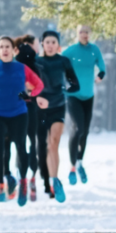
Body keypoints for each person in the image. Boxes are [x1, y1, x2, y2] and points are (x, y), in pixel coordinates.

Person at [0, 36, 46, 205]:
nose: (5, 50)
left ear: (13, 50)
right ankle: (2, 185)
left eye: (8, 46)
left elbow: (39, 85)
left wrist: (29, 95)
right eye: (2, 47)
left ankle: (22, 182)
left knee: (21, 148)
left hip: (18, 113)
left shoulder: (21, 68)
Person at [35, 29, 79, 202]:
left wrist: (67, 90)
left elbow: (74, 83)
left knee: (54, 142)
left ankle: (55, 181)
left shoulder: (63, 61)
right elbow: (27, 83)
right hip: (40, 107)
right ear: (42, 44)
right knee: (46, 145)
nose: (51, 45)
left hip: (58, 105)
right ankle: (50, 179)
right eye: (47, 42)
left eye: (54, 42)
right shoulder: (37, 62)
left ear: (58, 45)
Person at [62, 25, 106, 185]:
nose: (85, 34)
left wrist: (101, 74)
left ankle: (80, 162)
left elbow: (102, 66)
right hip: (73, 96)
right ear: (77, 34)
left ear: (90, 34)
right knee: (78, 128)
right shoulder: (71, 50)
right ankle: (72, 166)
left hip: (88, 96)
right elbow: (59, 61)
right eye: (81, 32)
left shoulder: (94, 50)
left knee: (85, 131)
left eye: (87, 32)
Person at [13, 34, 44, 201]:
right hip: (26, 109)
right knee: (29, 144)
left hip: (24, 109)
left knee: (23, 145)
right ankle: (28, 178)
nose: (37, 48)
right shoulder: (29, 63)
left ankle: (24, 178)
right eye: (36, 45)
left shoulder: (19, 63)